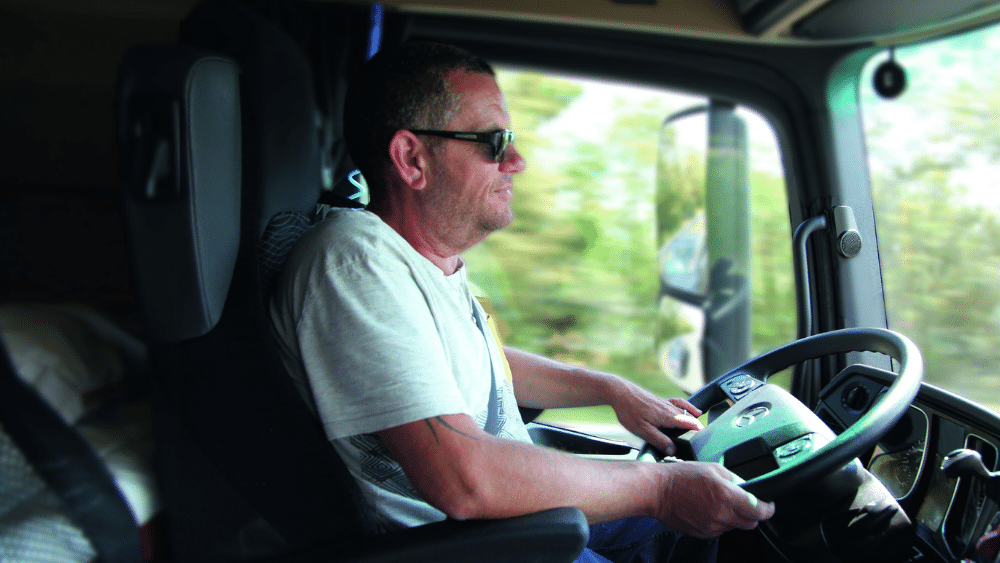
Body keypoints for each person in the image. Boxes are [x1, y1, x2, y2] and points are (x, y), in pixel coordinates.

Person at [269, 40, 775, 563]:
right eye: (495, 141)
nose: (518, 161)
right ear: (411, 158)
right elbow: (466, 482)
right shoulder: (355, 263)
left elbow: (472, 364)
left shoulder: (422, 261)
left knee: (726, 526)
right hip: (473, 547)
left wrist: (611, 388)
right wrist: (660, 490)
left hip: (518, 522)